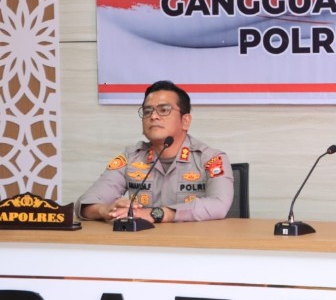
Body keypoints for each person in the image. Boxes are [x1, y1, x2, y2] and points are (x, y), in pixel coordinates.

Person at [76, 80, 234, 223]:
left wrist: (157, 214)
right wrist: (105, 210)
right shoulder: (131, 157)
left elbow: (219, 205)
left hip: (194, 242)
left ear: (185, 121)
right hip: (143, 243)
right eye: (147, 111)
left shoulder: (210, 158)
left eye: (164, 110)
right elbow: (85, 204)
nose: (153, 116)